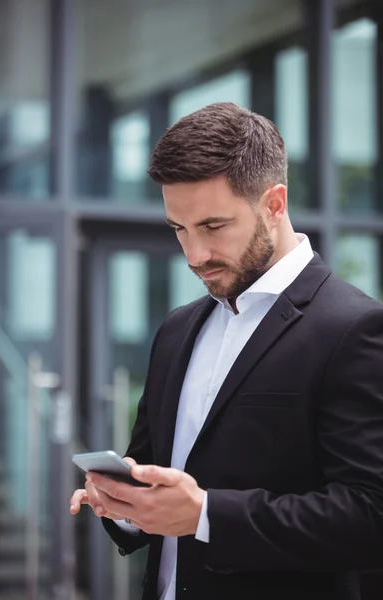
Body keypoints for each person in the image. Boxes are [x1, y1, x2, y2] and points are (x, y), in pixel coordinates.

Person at [70, 102, 383, 600]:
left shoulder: (354, 327)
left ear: (274, 204)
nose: (195, 255)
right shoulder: (176, 330)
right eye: (179, 229)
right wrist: (127, 505)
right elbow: (156, 481)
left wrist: (207, 515)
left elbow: (371, 515)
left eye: (213, 226)